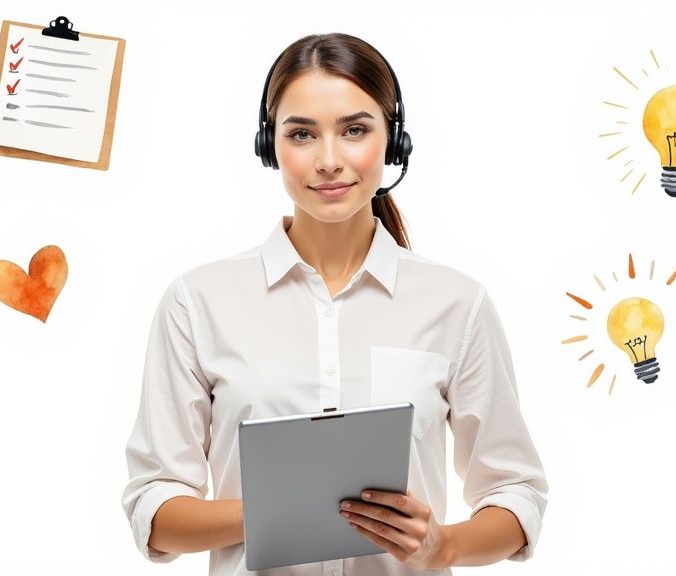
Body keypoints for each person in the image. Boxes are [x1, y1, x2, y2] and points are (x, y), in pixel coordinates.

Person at [121, 32, 548, 575]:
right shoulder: (197, 301)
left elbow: (517, 493)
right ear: (268, 146)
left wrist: (444, 545)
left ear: (394, 144)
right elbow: (153, 508)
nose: (328, 160)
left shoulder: (457, 304)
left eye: (354, 130)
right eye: (301, 133)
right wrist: (279, 508)